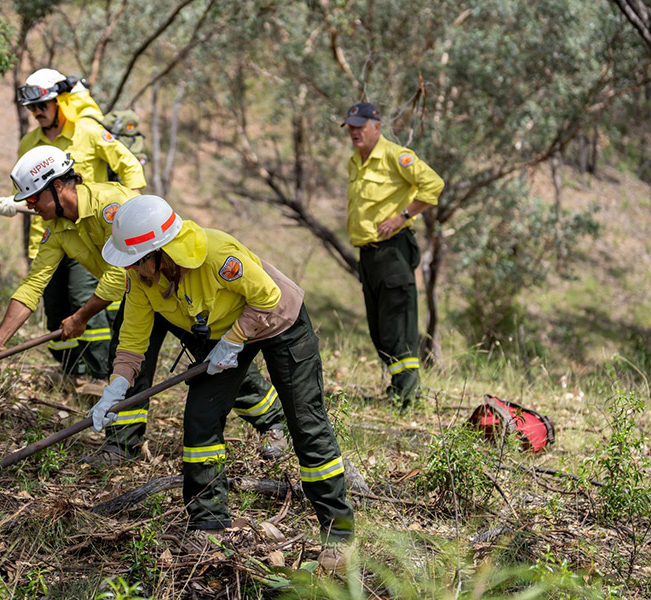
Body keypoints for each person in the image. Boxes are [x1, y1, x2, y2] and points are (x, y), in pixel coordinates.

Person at [0, 147, 289, 465]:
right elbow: (34, 285)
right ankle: (121, 446)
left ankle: (273, 424)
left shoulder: (111, 204)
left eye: (33, 199)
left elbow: (117, 277)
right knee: (127, 362)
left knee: (215, 360)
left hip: (172, 288)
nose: (31, 208)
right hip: (138, 295)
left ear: (57, 187)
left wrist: (81, 316)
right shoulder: (58, 229)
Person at [93, 195, 354, 568]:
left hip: (278, 321)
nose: (133, 270)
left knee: (305, 423)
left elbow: (267, 296)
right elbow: (133, 341)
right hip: (222, 333)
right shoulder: (141, 281)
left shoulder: (217, 254)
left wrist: (233, 341)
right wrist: (115, 389)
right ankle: (208, 524)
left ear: (161, 252)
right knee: (200, 419)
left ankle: (339, 533)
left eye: (137, 262)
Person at [0, 68, 147, 388]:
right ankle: (72, 374)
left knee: (83, 299)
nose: (36, 114)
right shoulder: (30, 144)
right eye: (31, 109)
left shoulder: (87, 133)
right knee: (55, 309)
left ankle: (102, 375)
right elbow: (30, 288)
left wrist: (133, 217)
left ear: (60, 101)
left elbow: (129, 166)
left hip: (96, 232)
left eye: (42, 106)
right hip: (54, 233)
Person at [342, 102, 444, 411]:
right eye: (351, 127)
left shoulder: (395, 156)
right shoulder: (355, 161)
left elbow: (433, 185)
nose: (355, 132)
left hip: (392, 251)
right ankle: (398, 390)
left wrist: (403, 216)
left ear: (377, 126)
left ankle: (407, 398)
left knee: (397, 326)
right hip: (369, 255)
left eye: (360, 126)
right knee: (378, 328)